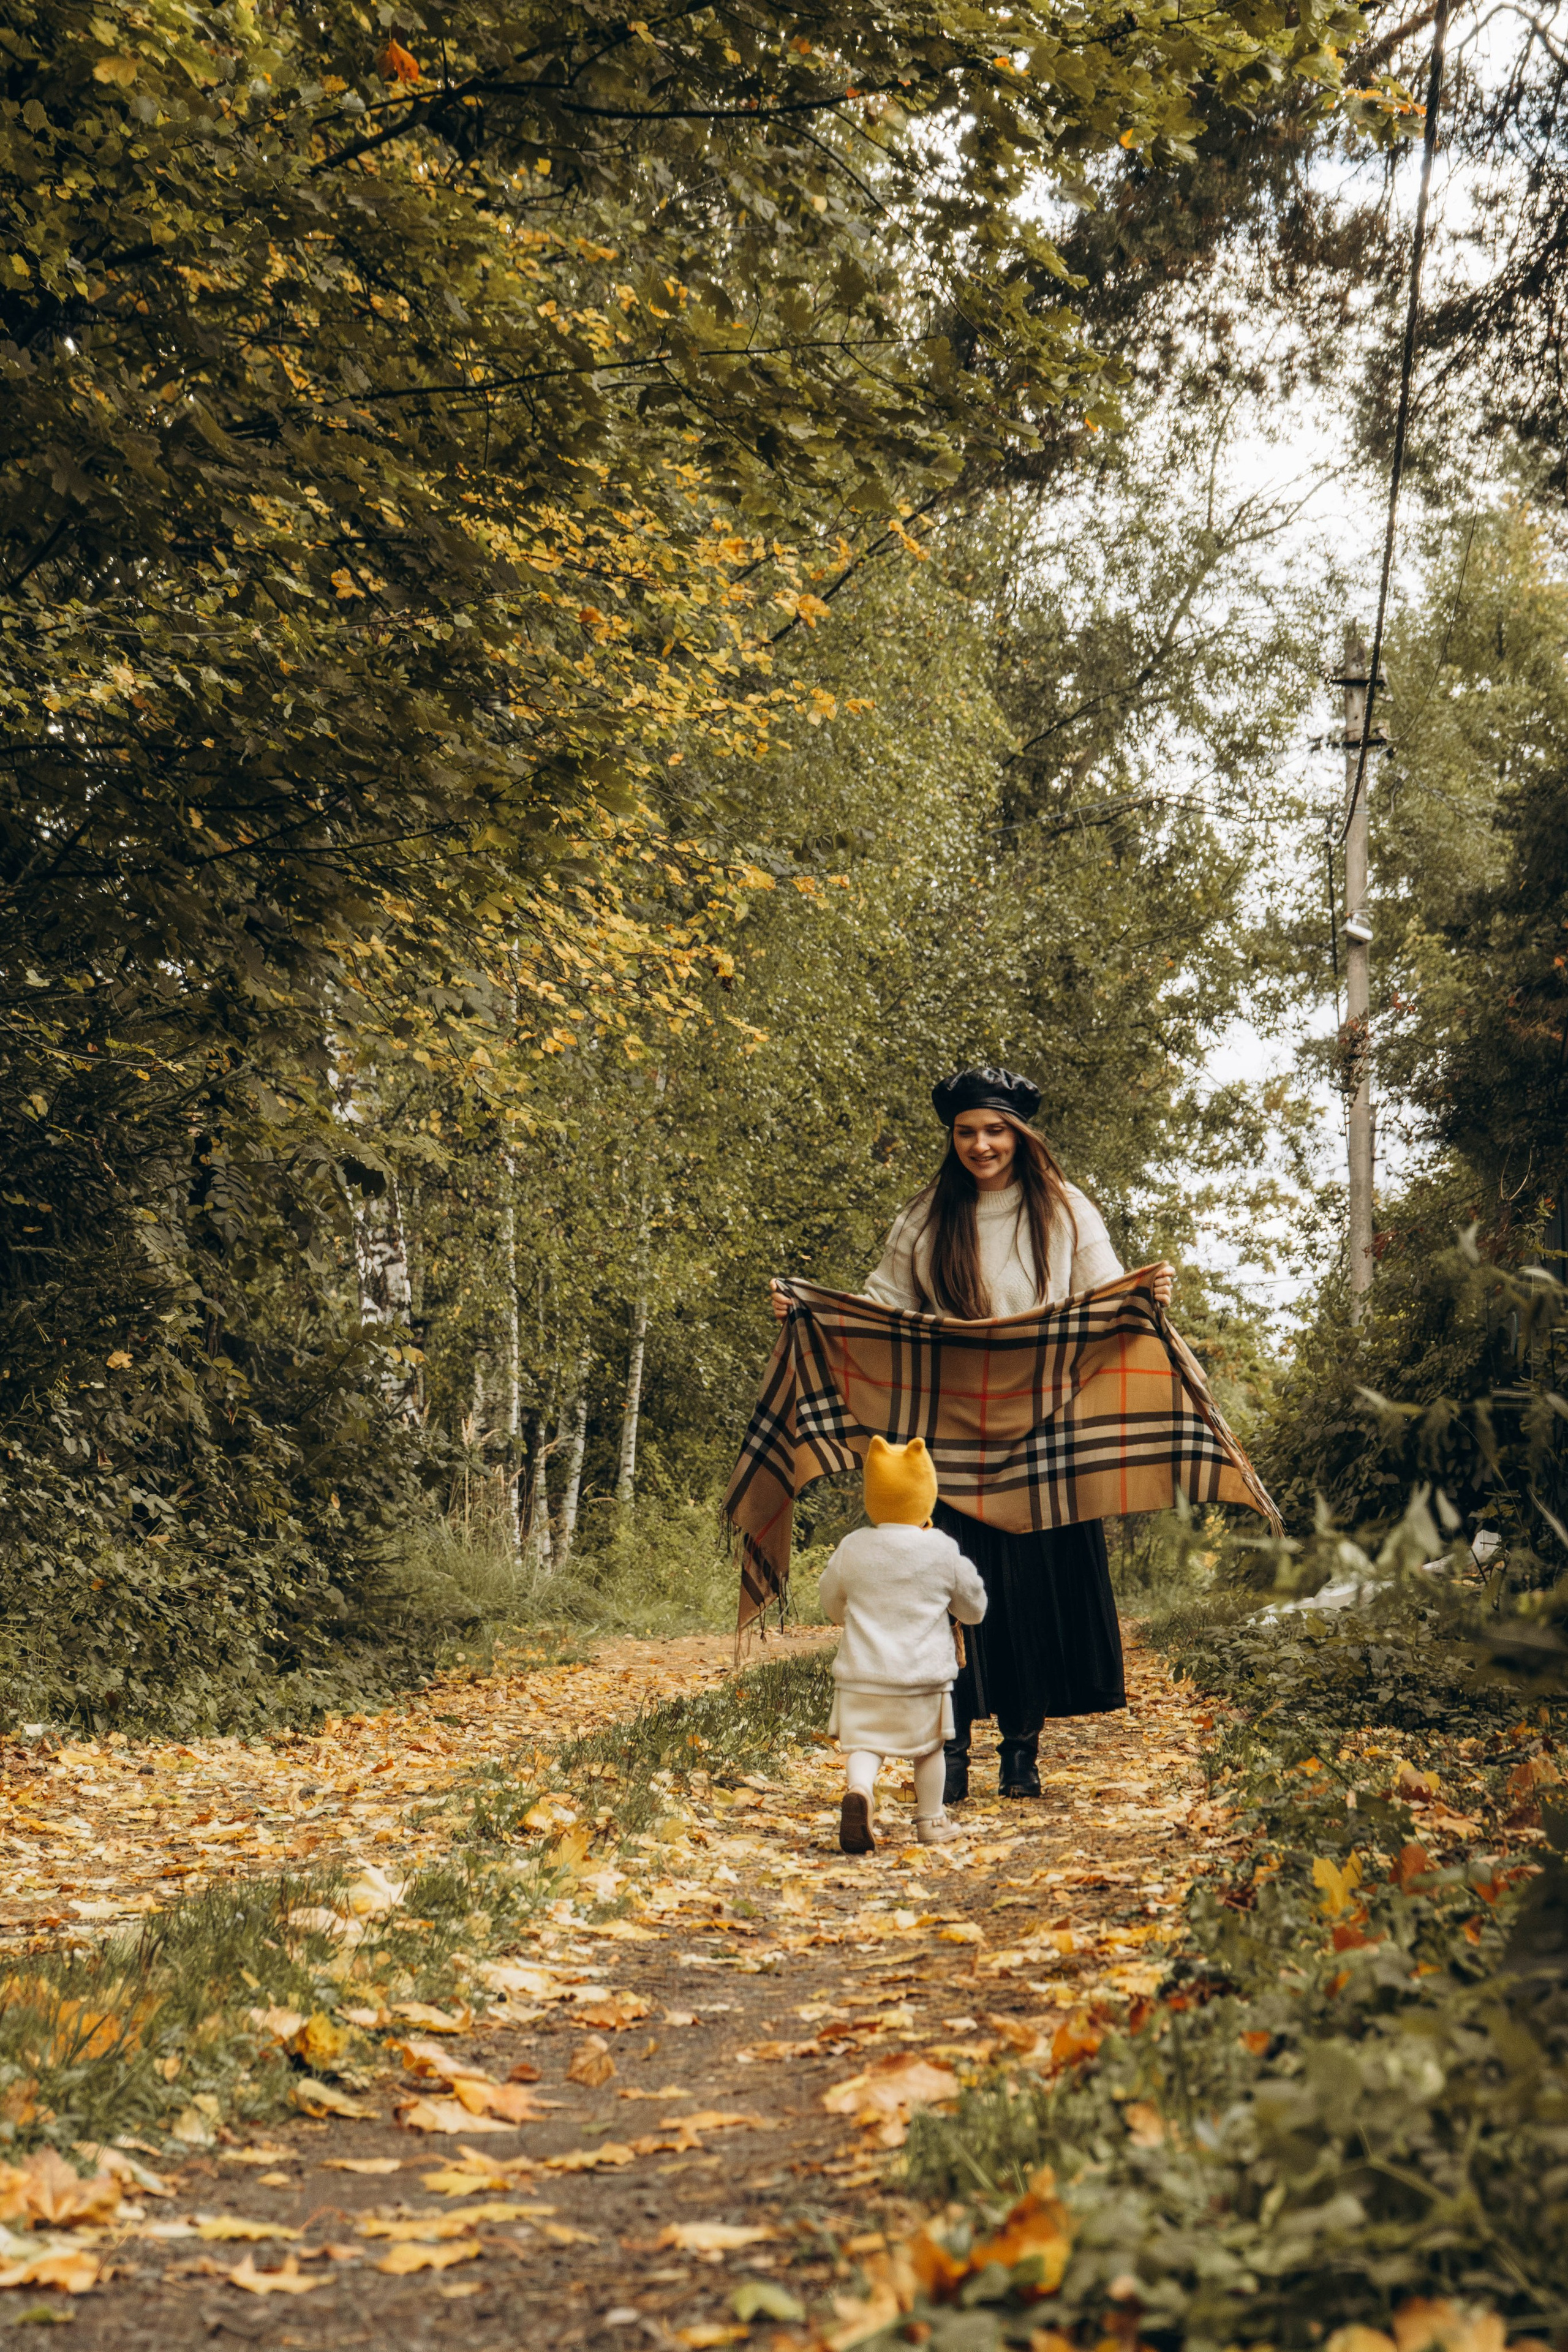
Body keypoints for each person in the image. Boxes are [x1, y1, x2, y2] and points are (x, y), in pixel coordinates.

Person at [772, 1065, 1174, 1804]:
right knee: (940, 1599)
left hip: (1041, 1429)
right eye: (966, 1133)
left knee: (1028, 1596)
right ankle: (948, 1751)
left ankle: (1021, 1752)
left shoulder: (1065, 1210)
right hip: (949, 1437)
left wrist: (1148, 1294)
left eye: (994, 1131)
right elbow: (881, 1305)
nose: (980, 1146)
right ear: (951, 1137)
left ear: (1020, 1135)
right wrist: (808, 1314)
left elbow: (1107, 1292)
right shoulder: (926, 1216)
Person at [818, 1435, 988, 1853]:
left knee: (864, 1745)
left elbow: (830, 1602)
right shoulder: (941, 1549)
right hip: (923, 1677)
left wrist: (848, 1615)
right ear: (925, 1493)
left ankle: (860, 1791)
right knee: (929, 1748)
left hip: (862, 1676)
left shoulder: (853, 1547)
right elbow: (974, 1608)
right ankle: (931, 1820)